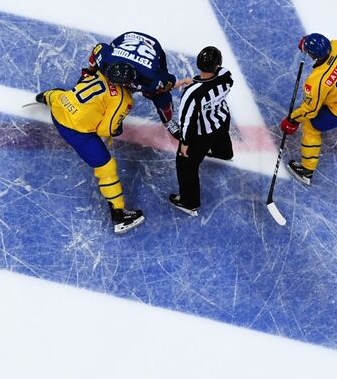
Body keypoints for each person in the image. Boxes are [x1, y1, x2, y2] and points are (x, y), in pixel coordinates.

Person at [35, 61, 144, 235]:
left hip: (58, 106)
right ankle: (119, 216)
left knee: (61, 96)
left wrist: (48, 97)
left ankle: (44, 97)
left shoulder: (99, 73)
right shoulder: (124, 99)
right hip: (75, 130)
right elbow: (105, 130)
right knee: (106, 168)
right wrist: (117, 127)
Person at [279, 33, 337, 187]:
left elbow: (309, 110)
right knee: (324, 99)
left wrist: (292, 119)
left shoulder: (316, 82)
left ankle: (306, 171)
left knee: (311, 126)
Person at [167, 46, 234, 216]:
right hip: (221, 120)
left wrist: (184, 143)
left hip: (201, 136)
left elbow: (187, 121)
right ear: (218, 65)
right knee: (222, 136)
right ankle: (224, 153)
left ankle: (189, 202)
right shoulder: (226, 77)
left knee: (186, 165)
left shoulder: (192, 94)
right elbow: (216, 79)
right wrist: (197, 81)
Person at [89, 32, 180, 136]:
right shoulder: (106, 60)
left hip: (153, 46)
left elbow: (170, 81)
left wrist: (157, 90)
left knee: (162, 98)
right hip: (126, 38)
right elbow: (98, 48)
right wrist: (88, 73)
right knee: (97, 78)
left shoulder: (151, 79)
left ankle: (168, 122)